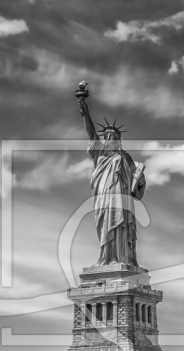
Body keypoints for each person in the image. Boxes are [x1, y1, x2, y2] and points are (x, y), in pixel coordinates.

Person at [76, 80, 146, 266]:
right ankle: (107, 258)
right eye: (107, 137)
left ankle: (122, 259)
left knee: (122, 227)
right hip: (104, 198)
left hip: (122, 199)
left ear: (119, 141)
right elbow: (91, 132)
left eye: (114, 137)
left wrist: (139, 180)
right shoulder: (100, 153)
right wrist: (83, 105)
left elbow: (135, 190)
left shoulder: (126, 158)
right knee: (106, 226)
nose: (110, 140)